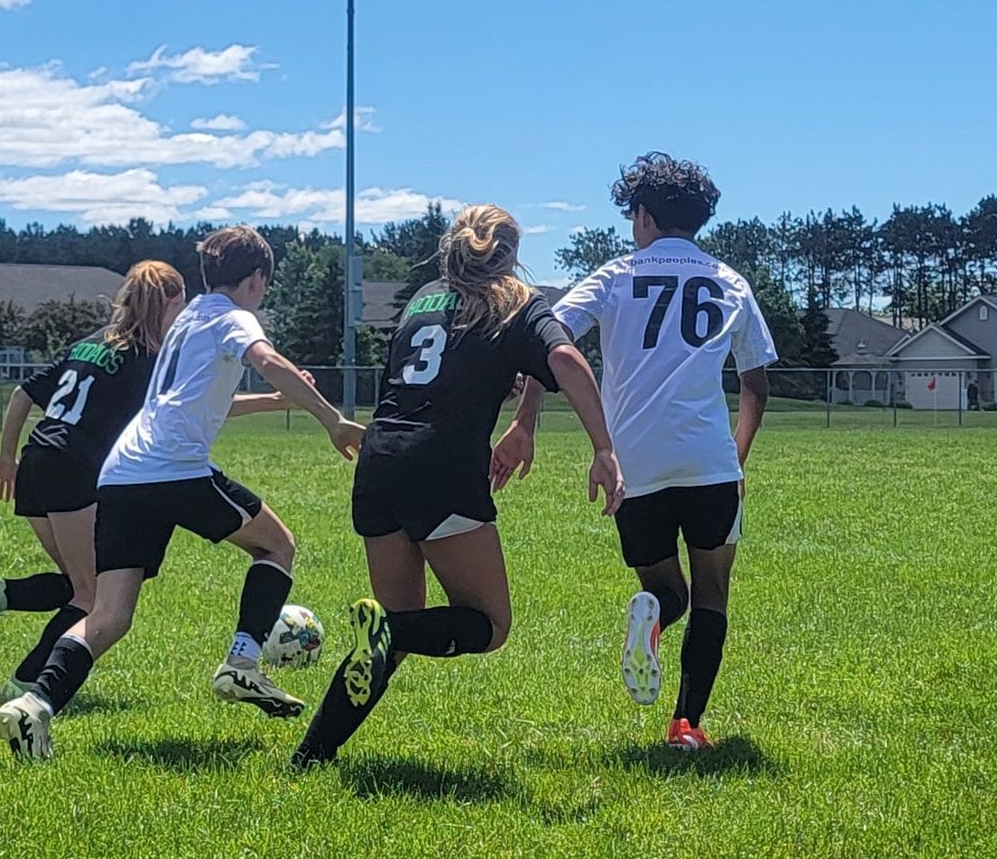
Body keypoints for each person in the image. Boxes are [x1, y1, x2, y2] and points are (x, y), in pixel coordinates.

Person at [0, 226, 367, 760]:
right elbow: (268, 360)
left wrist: (277, 401)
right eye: (265, 283)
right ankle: (241, 663)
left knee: (108, 616)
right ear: (256, 279)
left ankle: (34, 706)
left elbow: (199, 401)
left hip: (121, 472)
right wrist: (332, 420)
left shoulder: (187, 319)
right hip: (174, 469)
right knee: (277, 545)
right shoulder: (234, 317)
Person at [291, 205, 624, 767]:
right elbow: (566, 357)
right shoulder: (514, 300)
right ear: (509, 256)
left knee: (397, 628)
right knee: (487, 624)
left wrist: (500, 386)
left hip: (379, 458)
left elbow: (437, 368)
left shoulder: (423, 298)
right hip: (441, 465)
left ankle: (311, 756)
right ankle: (387, 632)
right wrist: (603, 448)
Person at [495, 152, 776, 752]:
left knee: (667, 591)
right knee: (712, 595)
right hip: (707, 460)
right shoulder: (730, 281)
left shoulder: (615, 275)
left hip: (633, 464)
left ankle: (654, 617)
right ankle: (686, 726)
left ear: (643, 215)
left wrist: (524, 422)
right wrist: (737, 458)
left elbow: (551, 344)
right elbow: (756, 384)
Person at [0, 261, 191, 698]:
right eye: (180, 307)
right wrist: (275, 400)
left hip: (36, 460)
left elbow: (22, 394)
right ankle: (26, 682)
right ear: (167, 304)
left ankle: (0, 594)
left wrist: (7, 457)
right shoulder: (148, 358)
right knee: (93, 594)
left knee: (76, 581)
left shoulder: (89, 343)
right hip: (73, 468)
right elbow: (186, 409)